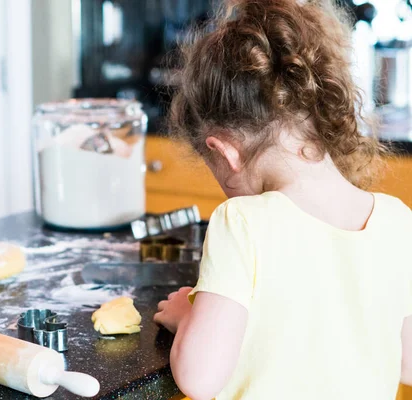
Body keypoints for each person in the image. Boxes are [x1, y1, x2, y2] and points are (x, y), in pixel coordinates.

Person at [152, 1, 412, 399]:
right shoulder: (398, 220)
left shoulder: (241, 221)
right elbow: (407, 363)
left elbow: (199, 379)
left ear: (225, 153)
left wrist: (188, 317)